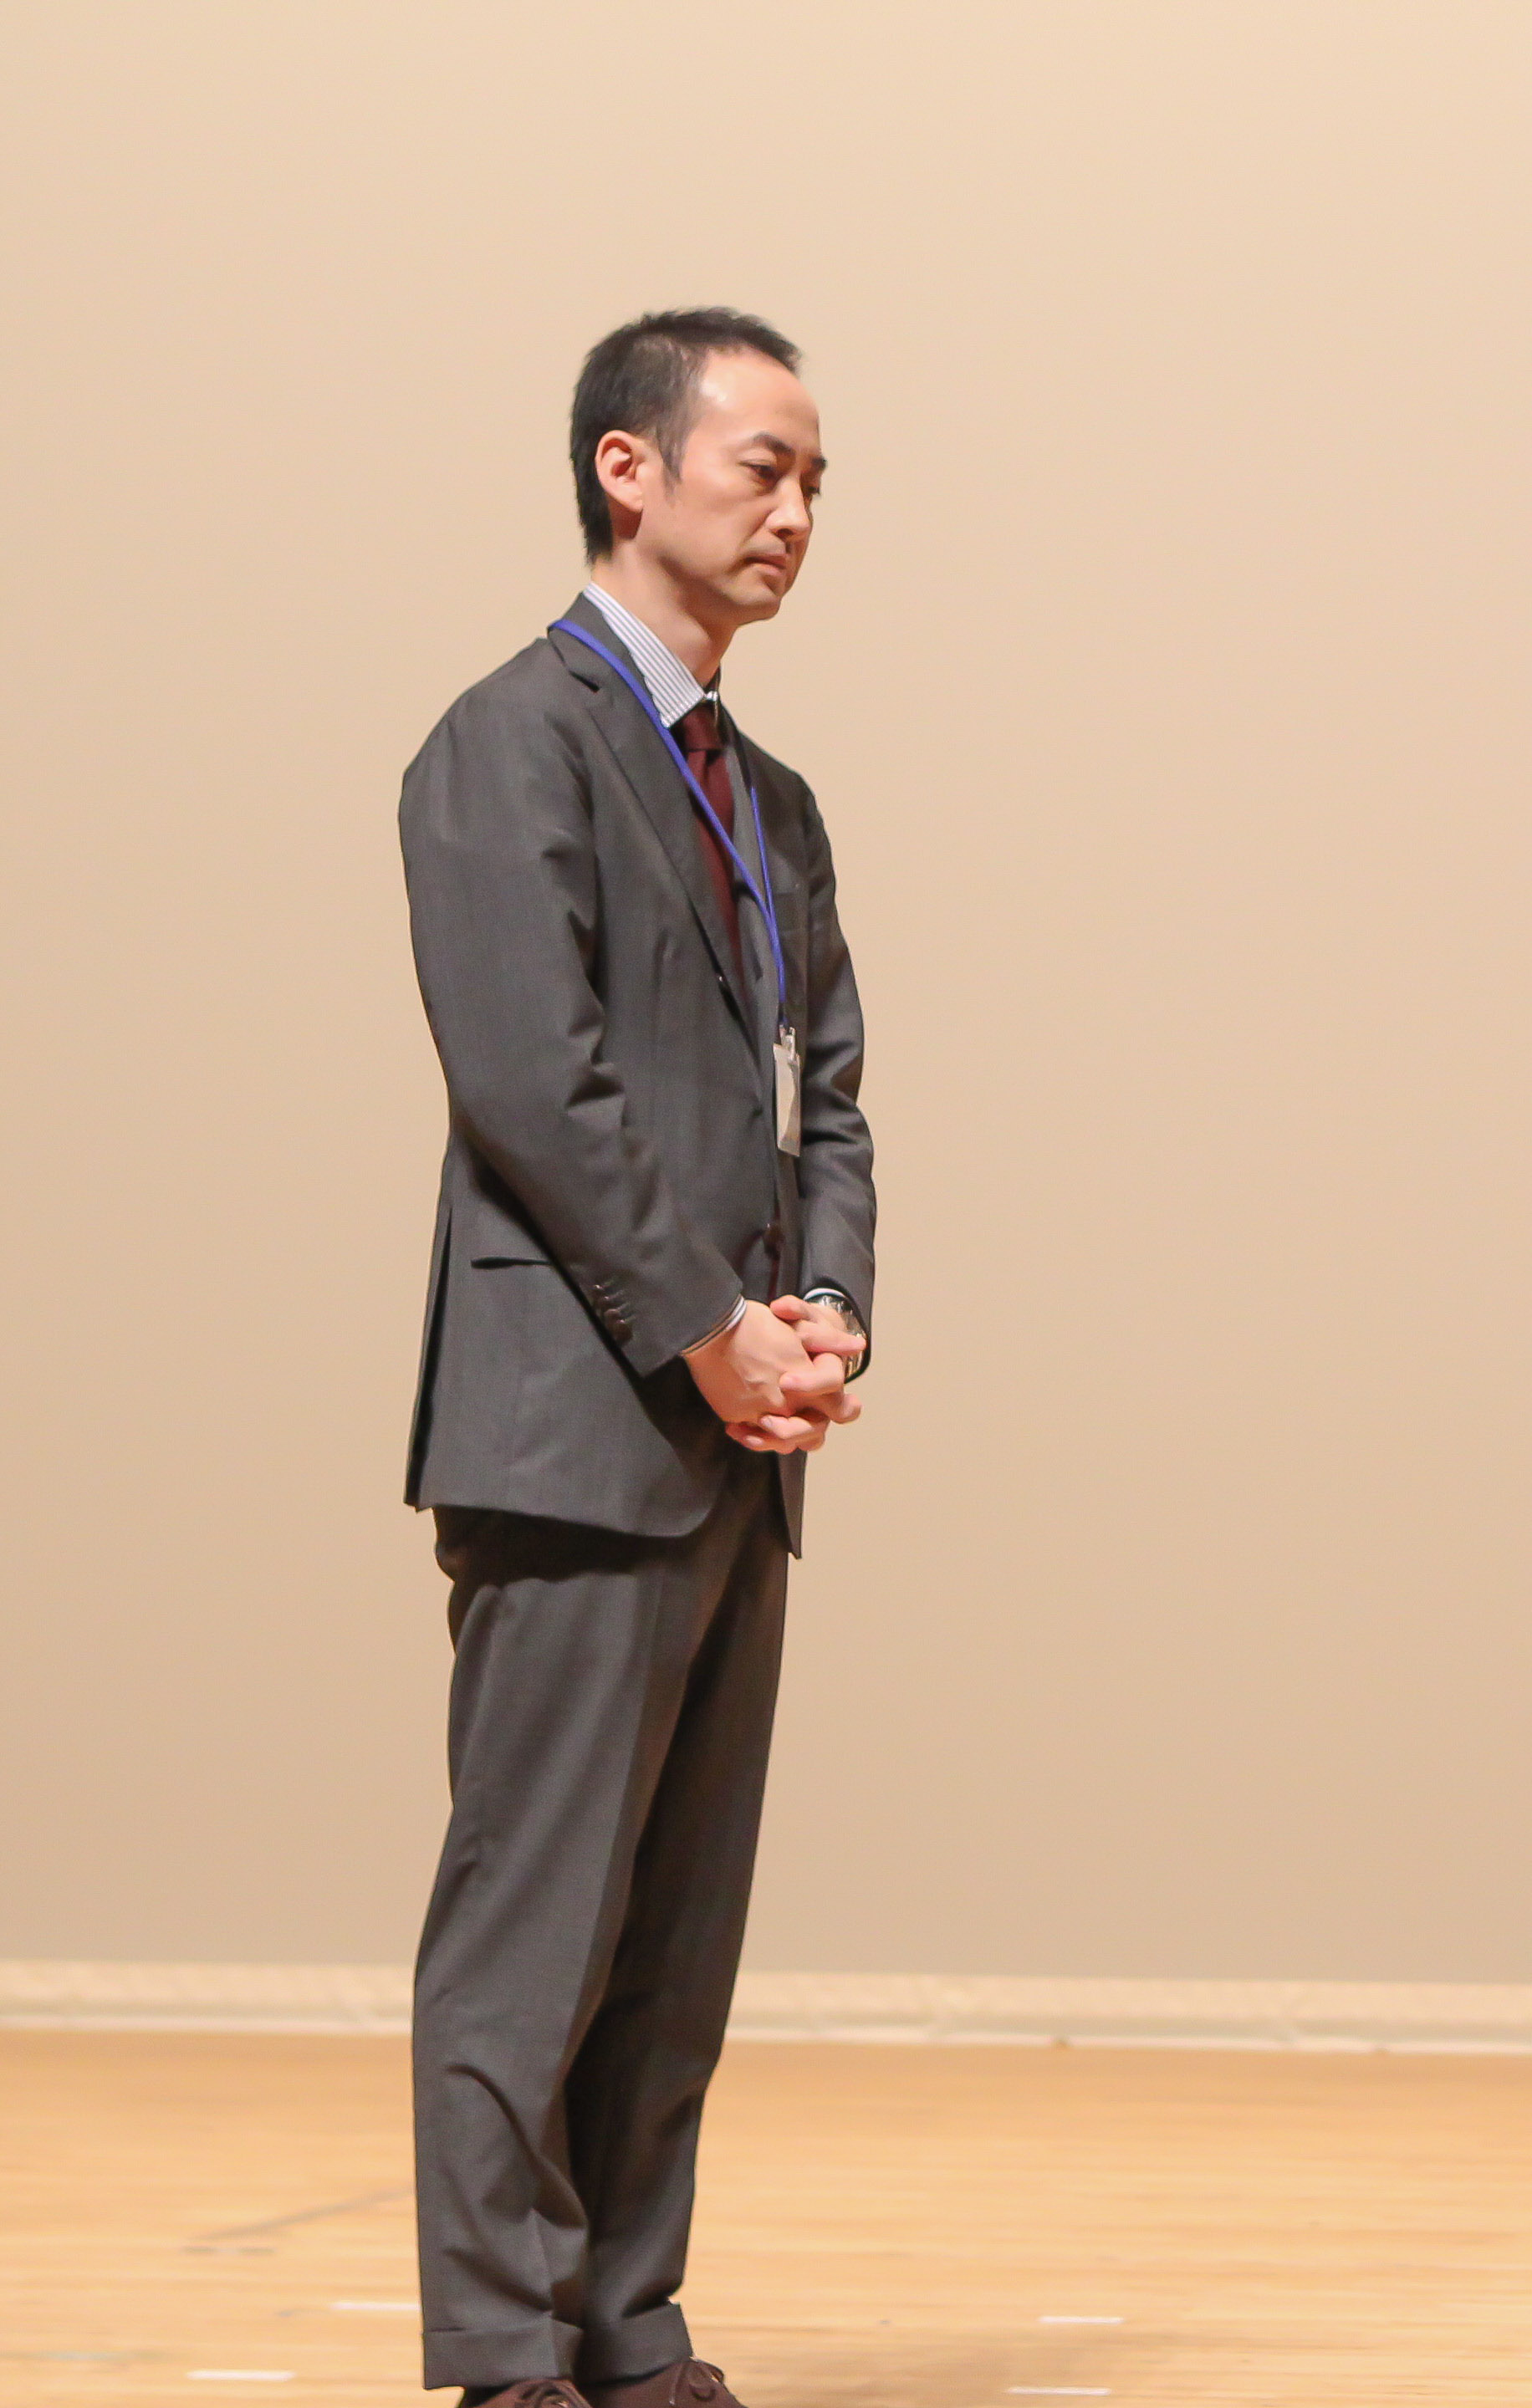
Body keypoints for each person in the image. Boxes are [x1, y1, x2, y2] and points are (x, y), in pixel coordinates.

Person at [396, 307, 877, 2408]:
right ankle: (509, 2344)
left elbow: (828, 1090)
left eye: (814, 483)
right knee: (539, 1920)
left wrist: (828, 1309)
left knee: (674, 1938)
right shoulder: (506, 745)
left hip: (734, 1431)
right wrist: (707, 1331)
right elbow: (538, 1085)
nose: (794, 510)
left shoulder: (768, 795)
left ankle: (627, 2317)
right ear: (628, 468)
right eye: (761, 465)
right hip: (580, 1422)